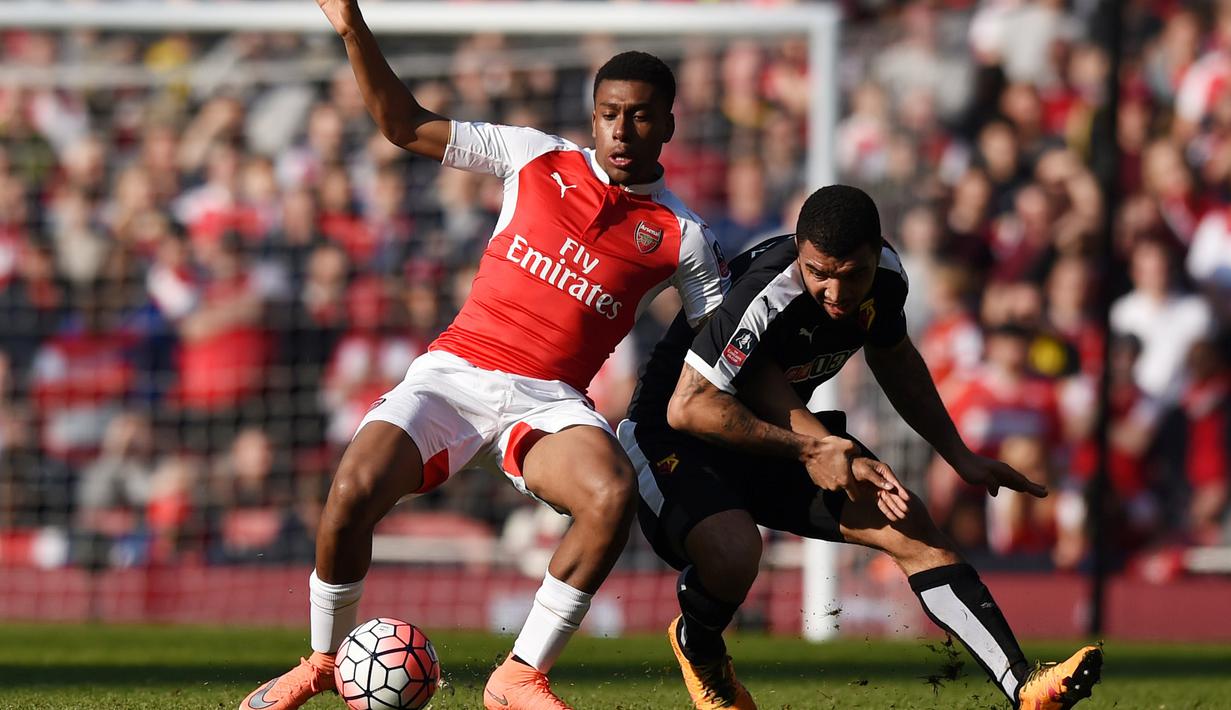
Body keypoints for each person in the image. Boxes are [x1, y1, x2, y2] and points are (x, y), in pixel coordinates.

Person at [239, 2, 730, 709]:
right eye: (609, 113)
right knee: (349, 493)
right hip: (454, 372)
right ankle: (320, 662)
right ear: (592, 118)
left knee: (609, 493)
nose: (623, 130)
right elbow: (402, 125)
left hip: (549, 399)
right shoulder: (532, 156)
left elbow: (719, 347)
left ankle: (518, 675)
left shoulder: (682, 236)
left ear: (668, 125)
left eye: (641, 115)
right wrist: (351, 26)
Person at [618, 185, 1102, 710]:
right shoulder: (767, 291)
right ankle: (701, 650)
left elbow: (895, 360)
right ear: (800, 251)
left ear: (877, 254)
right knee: (736, 552)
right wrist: (811, 449)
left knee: (911, 526)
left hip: (777, 437)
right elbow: (689, 407)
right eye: (818, 273)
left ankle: (1026, 688)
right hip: (673, 439)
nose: (833, 291)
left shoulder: (889, 281)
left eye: (852, 275)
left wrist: (958, 454)